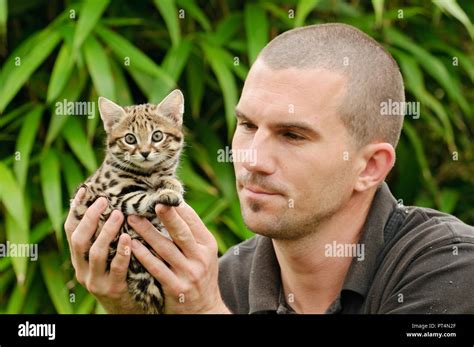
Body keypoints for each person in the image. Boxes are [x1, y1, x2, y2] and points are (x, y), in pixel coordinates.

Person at [64, 23, 474, 314]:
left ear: (369, 167)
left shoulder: (448, 267)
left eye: (293, 135)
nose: (251, 159)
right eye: (246, 125)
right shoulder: (225, 279)